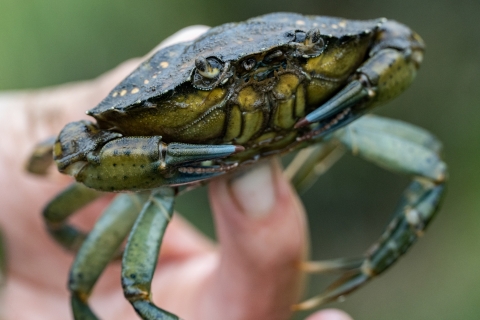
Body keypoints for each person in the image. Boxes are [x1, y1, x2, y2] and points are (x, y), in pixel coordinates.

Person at [0, 26, 353, 320]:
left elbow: (398, 46)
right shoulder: (111, 144)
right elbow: (75, 154)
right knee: (114, 286)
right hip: (156, 166)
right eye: (209, 80)